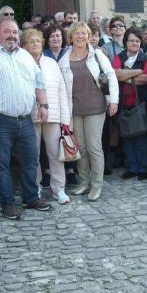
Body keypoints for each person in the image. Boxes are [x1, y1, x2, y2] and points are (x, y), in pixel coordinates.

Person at [0, 17, 52, 219]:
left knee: (31, 160)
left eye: (15, 32)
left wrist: (43, 105)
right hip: (0, 120)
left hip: (24, 119)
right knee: (1, 163)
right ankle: (7, 203)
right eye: (7, 32)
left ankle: (30, 197)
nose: (12, 36)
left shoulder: (25, 57)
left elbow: (38, 83)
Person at [58, 22, 119, 201]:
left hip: (96, 108)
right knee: (81, 148)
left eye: (84, 33)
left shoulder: (97, 54)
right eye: (77, 33)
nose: (80, 36)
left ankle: (96, 185)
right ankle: (84, 182)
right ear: (71, 36)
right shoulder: (64, 58)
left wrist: (114, 100)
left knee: (94, 147)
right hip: (75, 110)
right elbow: (62, 86)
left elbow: (111, 76)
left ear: (89, 36)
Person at [22, 29, 72, 204]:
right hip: (29, 116)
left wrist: (66, 120)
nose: (35, 44)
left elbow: (62, 91)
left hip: (53, 116)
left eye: (38, 40)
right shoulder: (20, 62)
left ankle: (59, 189)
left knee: (55, 154)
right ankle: (34, 188)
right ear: (24, 45)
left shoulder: (51, 63)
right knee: (32, 155)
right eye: (31, 41)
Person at [112, 27, 147, 180]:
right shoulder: (119, 57)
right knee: (127, 138)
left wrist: (125, 75)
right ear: (126, 41)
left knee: (141, 138)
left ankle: (143, 168)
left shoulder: (146, 58)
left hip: (140, 103)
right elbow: (114, 74)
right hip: (122, 103)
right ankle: (132, 167)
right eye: (131, 40)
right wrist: (137, 72)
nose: (134, 43)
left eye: (137, 40)